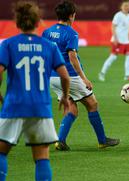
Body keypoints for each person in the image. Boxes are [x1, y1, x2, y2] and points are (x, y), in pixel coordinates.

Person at [0, 2, 70, 181]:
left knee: (2, 152)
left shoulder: (8, 44)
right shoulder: (49, 46)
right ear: (39, 22)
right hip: (40, 109)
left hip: (14, 106)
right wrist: (65, 98)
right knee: (42, 157)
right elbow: (64, 75)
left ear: (17, 23)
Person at [42, 0, 120, 151]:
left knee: (72, 108)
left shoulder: (47, 32)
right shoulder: (71, 33)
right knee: (92, 103)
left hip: (52, 77)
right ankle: (102, 140)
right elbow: (72, 57)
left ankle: (60, 141)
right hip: (69, 76)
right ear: (71, 16)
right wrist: (84, 78)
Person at [98, 0, 129, 82]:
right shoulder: (118, 15)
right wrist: (115, 38)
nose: (127, 7)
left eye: (128, 5)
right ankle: (102, 73)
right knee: (113, 57)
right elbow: (113, 26)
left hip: (126, 41)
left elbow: (127, 29)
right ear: (121, 7)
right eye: (125, 5)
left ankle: (127, 75)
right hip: (118, 40)